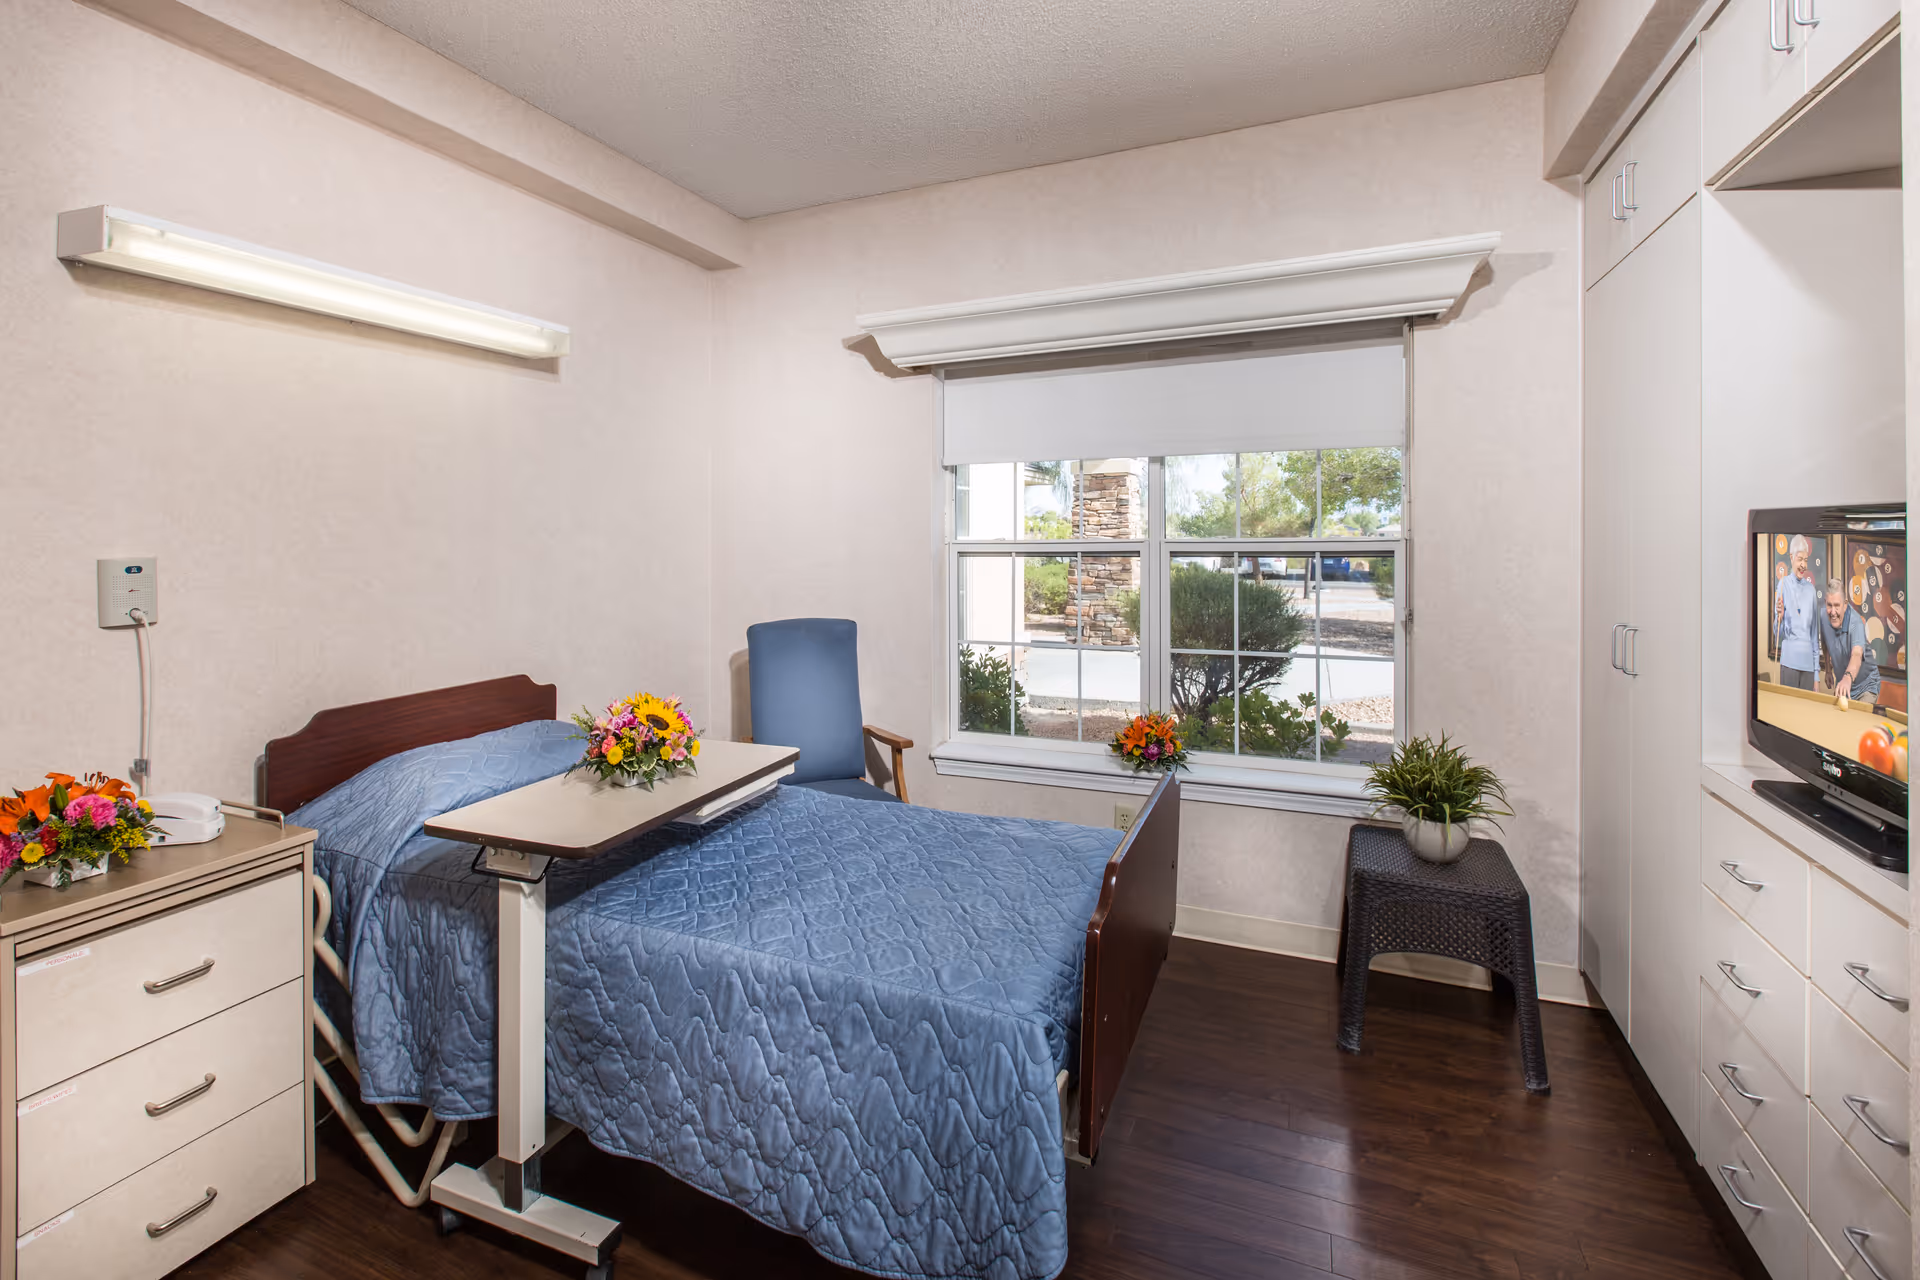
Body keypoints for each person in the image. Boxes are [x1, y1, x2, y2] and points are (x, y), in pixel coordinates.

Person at [1819, 577, 1881, 704]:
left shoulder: (1855, 622)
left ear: (1845, 604)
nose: (1833, 612)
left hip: (1866, 686)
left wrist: (1847, 678)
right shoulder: (1823, 616)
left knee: (1859, 722)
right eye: (1829, 605)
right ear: (1825, 602)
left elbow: (1857, 654)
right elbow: (1825, 642)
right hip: (1843, 683)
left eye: (1837, 605)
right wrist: (1828, 669)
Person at [1773, 535, 1820, 690]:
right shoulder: (1783, 585)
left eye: (1806, 560)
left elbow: (1814, 635)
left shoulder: (1811, 591)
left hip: (1808, 668)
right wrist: (1778, 618)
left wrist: (1816, 675)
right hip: (1789, 664)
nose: (1803, 565)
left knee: (1806, 713)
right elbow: (1776, 632)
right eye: (1800, 559)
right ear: (1792, 557)